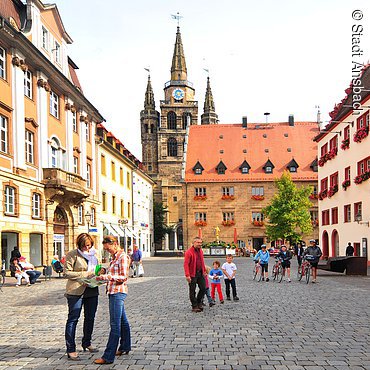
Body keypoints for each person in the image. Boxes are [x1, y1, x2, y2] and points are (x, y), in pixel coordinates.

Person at [94, 235, 131, 365]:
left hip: (118, 293)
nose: (107, 251)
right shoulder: (115, 257)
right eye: (105, 249)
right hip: (113, 292)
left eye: (108, 248)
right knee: (123, 321)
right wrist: (104, 270)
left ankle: (108, 357)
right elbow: (114, 271)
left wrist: (106, 277)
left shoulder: (123, 257)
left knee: (115, 325)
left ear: (115, 244)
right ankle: (125, 346)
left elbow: (123, 276)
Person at [64, 233, 100, 361]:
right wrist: (85, 274)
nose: (87, 248)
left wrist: (100, 273)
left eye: (89, 245)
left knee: (90, 318)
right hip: (76, 291)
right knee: (73, 319)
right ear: (79, 245)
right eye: (84, 246)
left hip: (92, 289)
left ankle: (87, 342)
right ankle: (71, 349)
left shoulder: (95, 254)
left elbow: (96, 269)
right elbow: (66, 273)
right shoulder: (72, 254)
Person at [183, 236, 207, 313]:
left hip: (200, 273)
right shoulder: (189, 252)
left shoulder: (200, 251)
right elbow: (186, 264)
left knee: (203, 288)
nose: (200, 244)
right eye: (198, 242)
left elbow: (202, 261)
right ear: (193, 243)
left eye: (201, 242)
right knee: (192, 290)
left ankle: (199, 302)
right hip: (192, 274)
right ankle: (194, 306)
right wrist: (187, 275)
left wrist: (204, 270)